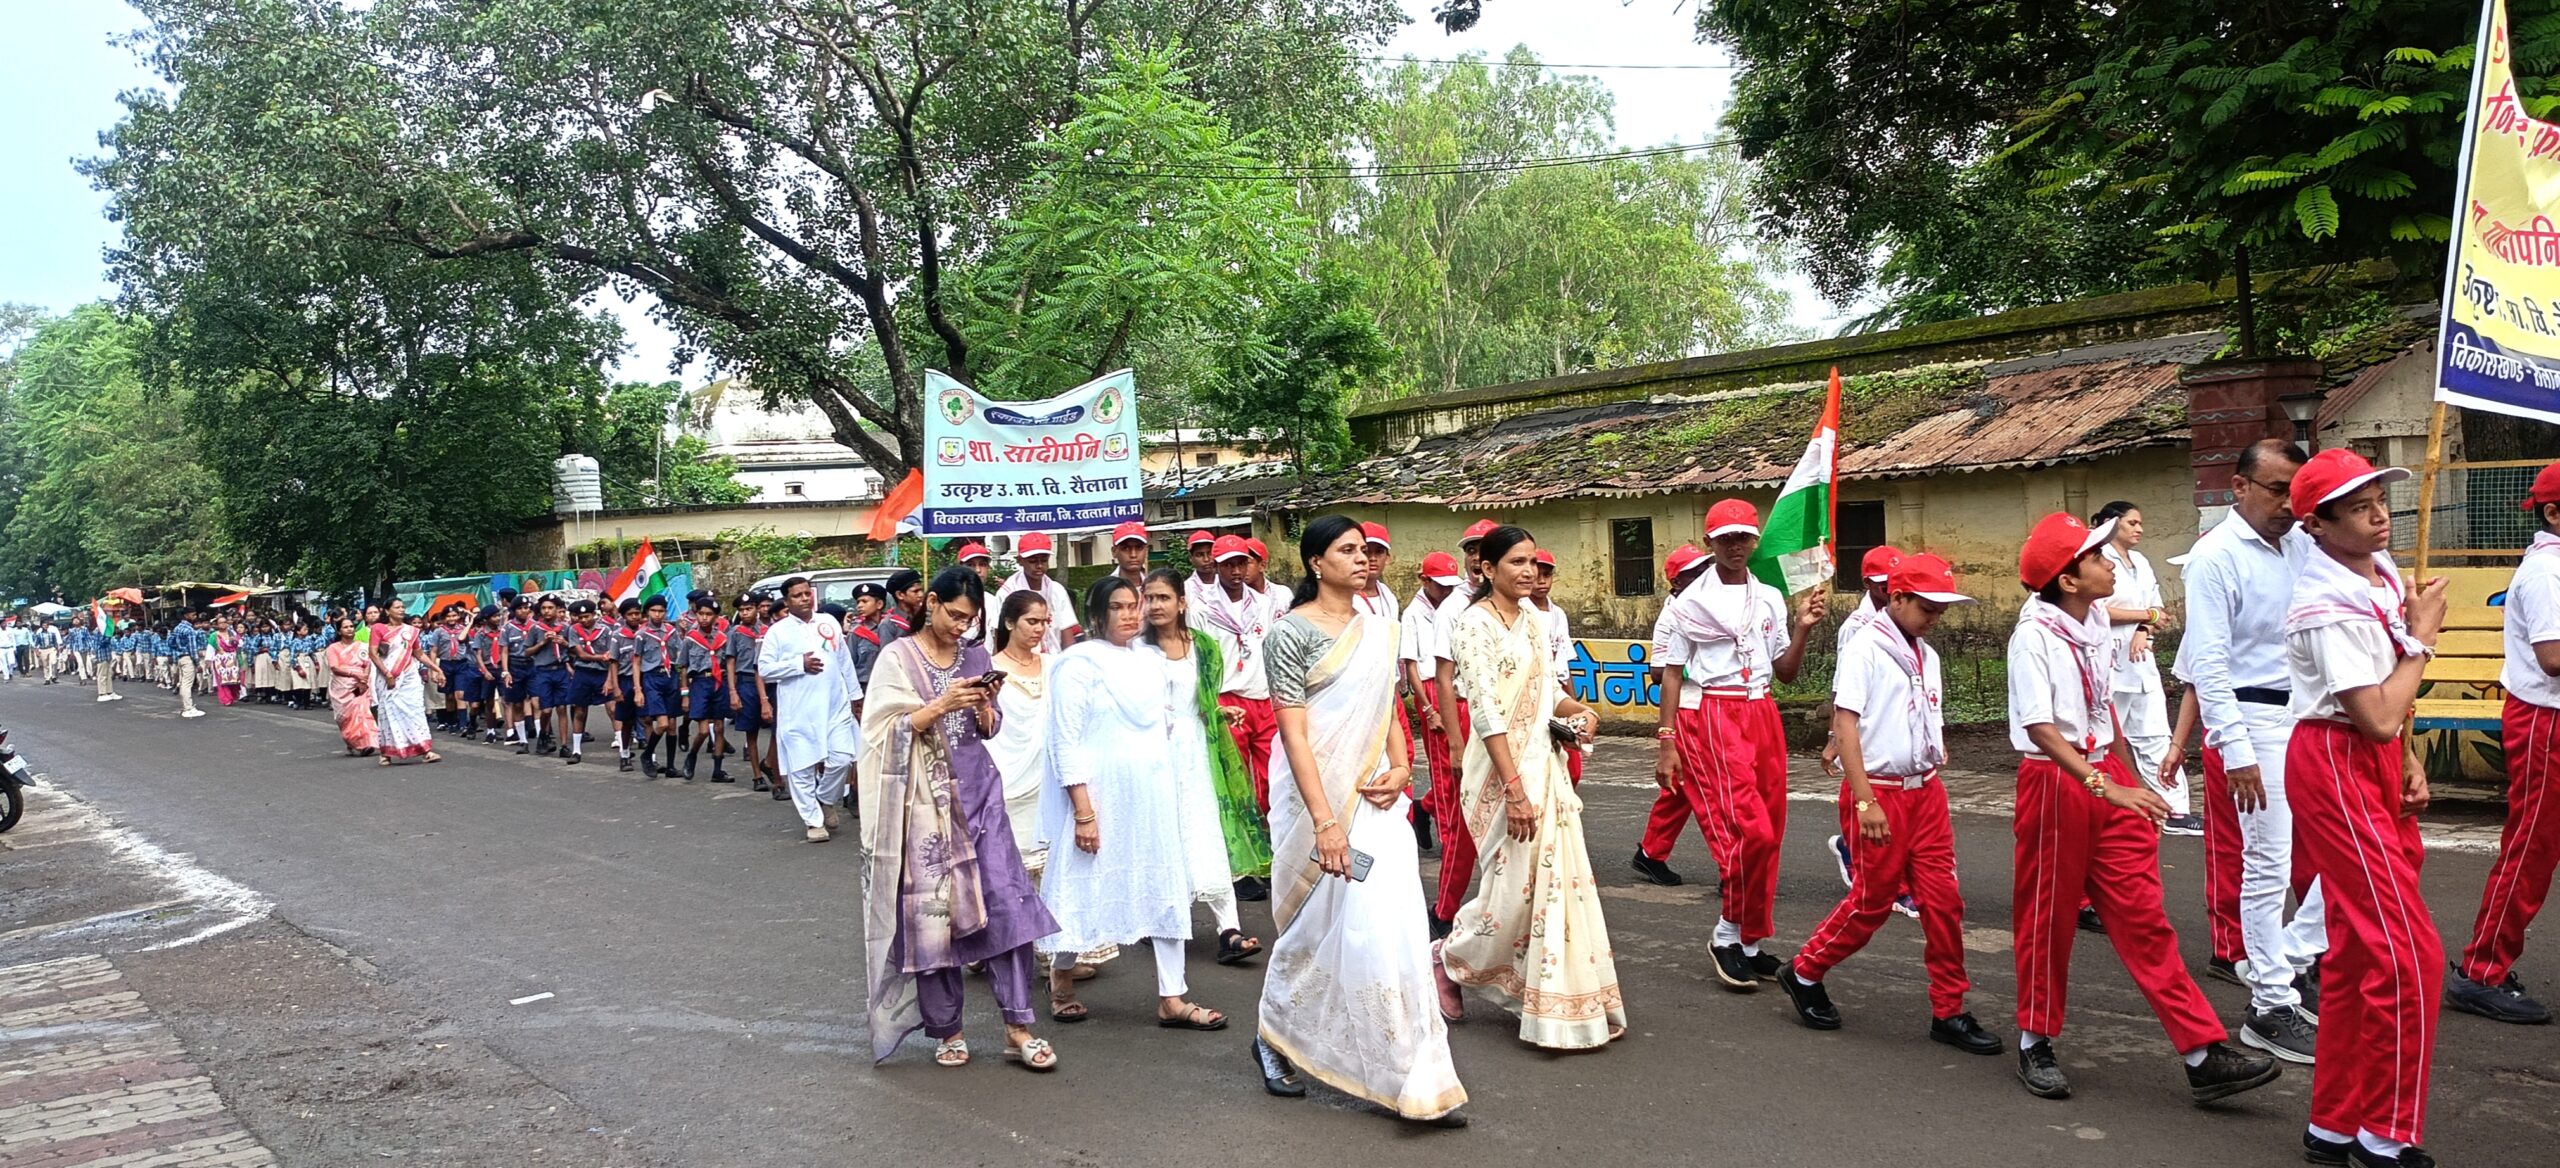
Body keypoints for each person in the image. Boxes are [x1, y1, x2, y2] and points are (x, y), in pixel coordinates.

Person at [2005, 511, 2275, 1104]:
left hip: (2106, 774)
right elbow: (2041, 728)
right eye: (2096, 557)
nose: (2109, 563)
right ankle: (2034, 1040)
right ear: (2067, 580)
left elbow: (2103, 710)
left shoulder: (2094, 622)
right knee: (2048, 917)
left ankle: (2201, 1051)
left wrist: (2129, 778)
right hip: (2057, 781)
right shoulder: (2034, 636)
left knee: (2144, 917)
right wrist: (2109, 786)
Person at [1253, 515, 1468, 1126]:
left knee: (1389, 926)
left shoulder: (1378, 626)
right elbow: (1294, 734)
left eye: (1365, 550)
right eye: (1346, 550)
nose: (1361, 559)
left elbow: (1386, 707)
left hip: (1376, 799)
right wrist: (1325, 823)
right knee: (1315, 925)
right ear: (1316, 562)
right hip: (1314, 802)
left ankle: (1414, 1075)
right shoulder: (1289, 634)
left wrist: (1402, 767)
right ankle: (1274, 1034)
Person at [2280, 450, 2448, 1168]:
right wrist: (2423, 639)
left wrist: (2406, 758)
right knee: (2409, 954)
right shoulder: (2324, 604)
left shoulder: (2374, 571)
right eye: (2357, 507)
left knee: (2355, 946)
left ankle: (2336, 1121)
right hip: (2336, 758)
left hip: (2368, 755)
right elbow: (2374, 714)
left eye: (2379, 499)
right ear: (2316, 525)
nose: (2379, 516)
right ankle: (2385, 1133)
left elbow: (2385, 716)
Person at [1778, 554, 2000, 1054]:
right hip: (1879, 793)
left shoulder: (1927, 655)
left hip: (1926, 793)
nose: (1935, 617)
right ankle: (1806, 969)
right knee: (1872, 902)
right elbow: (1846, 722)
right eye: (1927, 607)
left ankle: (1949, 1009)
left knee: (1944, 902)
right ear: (1897, 598)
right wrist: (1865, 801)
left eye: (1941, 610)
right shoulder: (1866, 647)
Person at [858, 566, 1062, 1071]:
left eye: (969, 619)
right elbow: (882, 733)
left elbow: (987, 730)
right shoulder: (897, 658)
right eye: (953, 615)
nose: (960, 626)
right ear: (930, 603)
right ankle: (948, 1029)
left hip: (980, 796)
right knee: (934, 917)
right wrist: (942, 703)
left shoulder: (975, 656)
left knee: (1008, 907)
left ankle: (1018, 1025)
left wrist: (987, 706)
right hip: (924, 807)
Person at [2165, 438, 2326, 1063]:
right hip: (2253, 717)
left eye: (2297, 493)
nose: (2289, 504)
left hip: (2310, 713)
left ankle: (2286, 958)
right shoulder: (2216, 557)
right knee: (2267, 863)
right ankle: (2269, 1003)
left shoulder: (2304, 544)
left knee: (2344, 850)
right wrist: (2234, 747)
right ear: (2240, 487)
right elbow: (2206, 663)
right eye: (2277, 490)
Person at [1434, 524, 1624, 1049]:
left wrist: (1581, 711)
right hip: (1500, 777)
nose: (1528, 571)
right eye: (1516, 562)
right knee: (1511, 895)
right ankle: (1445, 958)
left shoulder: (1536, 621)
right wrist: (1514, 789)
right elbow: (1487, 714)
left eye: (1532, 562)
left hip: (1545, 768)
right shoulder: (1473, 624)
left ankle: (1552, 1000)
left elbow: (1548, 696)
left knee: (1552, 890)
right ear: (1486, 568)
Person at [1039, 575, 1228, 1031]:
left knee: (1163, 885)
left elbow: (1162, 722)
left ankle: (1172, 997)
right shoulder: (1077, 664)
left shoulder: (1150, 661)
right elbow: (1066, 741)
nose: (1129, 614)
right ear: (1095, 614)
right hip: (1100, 797)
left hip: (1151, 795)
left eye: (1133, 605)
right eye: (1117, 607)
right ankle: (1061, 977)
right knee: (1085, 884)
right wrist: (1084, 812)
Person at [1655, 500, 1826, 988]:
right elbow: (1671, 674)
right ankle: (1726, 934)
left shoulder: (1769, 596)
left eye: (1743, 537)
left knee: (1772, 829)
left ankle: (1748, 942)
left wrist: (1803, 627)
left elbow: (1784, 672)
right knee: (1751, 834)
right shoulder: (1690, 604)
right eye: (1725, 538)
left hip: (1762, 711)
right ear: (1710, 543)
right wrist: (1666, 741)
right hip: (1716, 713)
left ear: (1755, 540)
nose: (1735, 546)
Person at [2450, 461, 2560, 1025]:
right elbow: (2553, 657)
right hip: (2546, 721)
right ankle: (2481, 971)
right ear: (2553, 513)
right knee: (2532, 849)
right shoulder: (2545, 573)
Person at [1141, 569, 1267, 954]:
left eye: (1164, 597)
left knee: (1207, 829)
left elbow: (1202, 702)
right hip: (1152, 755)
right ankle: (1159, 917)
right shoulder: (1135, 652)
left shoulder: (1205, 647)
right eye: (1149, 598)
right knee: (1163, 834)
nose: (1155, 605)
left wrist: (1219, 713)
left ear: (1182, 602)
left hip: (1198, 751)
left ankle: (1229, 929)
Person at [2095, 501, 2200, 834]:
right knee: (2104, 741)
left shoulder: (2140, 561)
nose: (2139, 529)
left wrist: (2145, 628)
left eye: (2140, 523)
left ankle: (2175, 811)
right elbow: (2098, 610)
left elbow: (2158, 609)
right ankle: (2109, 808)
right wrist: (2147, 616)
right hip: (2108, 664)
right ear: (2111, 524)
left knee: (2156, 736)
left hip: (2142, 663)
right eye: (2132, 523)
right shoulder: (2098, 560)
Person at [1424, 519, 1497, 935]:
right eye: (1470, 550)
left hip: (1510, 718)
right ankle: (1444, 910)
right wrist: (1455, 741)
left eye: (1483, 549)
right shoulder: (1453, 608)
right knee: (1464, 822)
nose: (1475, 557)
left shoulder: (1519, 605)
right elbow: (1444, 678)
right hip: (1469, 713)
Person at [1629, 545, 1711, 885]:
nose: (1705, 576)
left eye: (1706, 568)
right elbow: (1658, 672)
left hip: (1714, 707)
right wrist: (1698, 667)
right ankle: (1732, 866)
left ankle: (1651, 853)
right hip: (1688, 709)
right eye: (1696, 573)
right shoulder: (1672, 616)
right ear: (1677, 582)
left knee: (1682, 788)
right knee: (1709, 789)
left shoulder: (1708, 606)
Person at [759, 577, 863, 841]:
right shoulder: (777, 632)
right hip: (799, 710)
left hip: (835, 705)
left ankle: (825, 798)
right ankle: (814, 821)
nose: (805, 598)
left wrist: (855, 696)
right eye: (797, 595)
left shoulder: (828, 622)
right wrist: (798, 664)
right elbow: (765, 669)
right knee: (802, 767)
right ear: (786, 601)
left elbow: (844, 660)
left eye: (807, 593)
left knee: (842, 758)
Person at [1196, 535, 1281, 812]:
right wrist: (1209, 704)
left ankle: (1270, 826)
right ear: (1216, 566)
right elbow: (1200, 659)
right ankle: (1246, 829)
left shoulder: (1262, 604)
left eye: (1241, 564)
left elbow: (1270, 647)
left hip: (1262, 696)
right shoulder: (1203, 608)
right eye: (1228, 565)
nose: (1236, 571)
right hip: (1229, 697)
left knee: (1271, 770)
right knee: (1237, 771)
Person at [1399, 551, 1464, 856]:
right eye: (1440, 585)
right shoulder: (1413, 614)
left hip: (1455, 686)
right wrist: (1427, 708)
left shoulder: (1456, 605)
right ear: (1424, 581)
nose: (1446, 590)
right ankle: (1449, 837)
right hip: (1431, 688)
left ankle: (1425, 807)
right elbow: (1411, 665)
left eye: (1451, 585)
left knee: (1462, 767)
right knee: (1443, 768)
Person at [370, 599, 443, 765]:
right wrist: (387, 674)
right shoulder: (379, 628)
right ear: (387, 611)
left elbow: (419, 653)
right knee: (389, 712)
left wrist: (436, 668)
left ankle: (425, 750)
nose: (401, 610)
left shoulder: (410, 631)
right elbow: (373, 653)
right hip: (387, 676)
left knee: (415, 711)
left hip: (409, 676)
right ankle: (386, 753)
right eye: (397, 607)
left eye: (403, 607)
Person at [994, 535, 1081, 651]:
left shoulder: (1057, 590)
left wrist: (1069, 659)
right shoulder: (1007, 592)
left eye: (1044, 560)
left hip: (1053, 658)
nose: (1039, 566)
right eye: (1032, 561)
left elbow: (1067, 634)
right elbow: (1000, 635)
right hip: (1020, 659)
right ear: (1020, 561)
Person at [679, 592, 733, 781]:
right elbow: (683, 667)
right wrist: (685, 695)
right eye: (701, 614)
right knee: (703, 730)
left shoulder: (722, 639)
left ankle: (717, 770)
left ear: (716, 617)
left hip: (718, 683)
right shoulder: (690, 639)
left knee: (719, 727)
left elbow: (728, 664)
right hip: (700, 683)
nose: (704, 618)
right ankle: (692, 755)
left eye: (709, 614)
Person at [726, 595, 774, 792]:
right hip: (746, 682)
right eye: (742, 610)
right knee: (751, 731)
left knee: (777, 727)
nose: (745, 613)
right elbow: (730, 662)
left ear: (757, 609)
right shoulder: (735, 633)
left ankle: (769, 762)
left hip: (768, 681)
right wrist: (733, 691)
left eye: (749, 609)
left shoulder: (769, 630)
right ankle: (757, 775)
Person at [324, 617, 378, 756]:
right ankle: (352, 743)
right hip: (342, 687)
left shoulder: (362, 646)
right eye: (345, 627)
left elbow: (367, 664)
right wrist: (354, 674)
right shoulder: (333, 648)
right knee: (345, 717)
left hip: (359, 685)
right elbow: (335, 667)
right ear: (339, 631)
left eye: (351, 626)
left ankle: (366, 743)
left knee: (362, 713)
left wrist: (363, 679)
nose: (349, 629)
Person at [1352, 522, 1399, 617]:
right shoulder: (1343, 597)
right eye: (1366, 551)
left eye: (1379, 551)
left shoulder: (1388, 595)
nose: (1373, 558)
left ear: (1388, 558)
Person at [167, 612, 205, 718]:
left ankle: (186, 706)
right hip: (188, 658)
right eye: (193, 615)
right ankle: (188, 708)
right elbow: (193, 648)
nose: (195, 617)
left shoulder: (177, 628)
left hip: (180, 657)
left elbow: (170, 642)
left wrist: (179, 648)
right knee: (187, 684)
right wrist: (197, 663)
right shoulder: (190, 630)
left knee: (184, 683)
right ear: (186, 615)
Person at [1108, 522, 1152, 590]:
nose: (1133, 555)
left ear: (1146, 551)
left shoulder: (1154, 588)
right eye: (1125, 548)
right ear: (1114, 551)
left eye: (1139, 548)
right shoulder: (1105, 589)